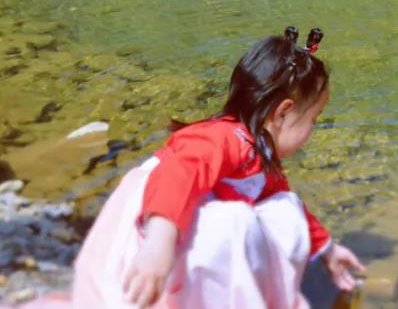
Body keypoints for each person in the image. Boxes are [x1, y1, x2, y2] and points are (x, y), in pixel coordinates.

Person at [70, 26, 365, 308]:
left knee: (284, 207)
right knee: (245, 220)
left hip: (178, 228)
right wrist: (159, 242)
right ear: (283, 112)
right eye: (313, 119)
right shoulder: (224, 137)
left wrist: (327, 250)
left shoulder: (258, 153)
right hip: (157, 223)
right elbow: (179, 172)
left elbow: (290, 203)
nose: (313, 129)